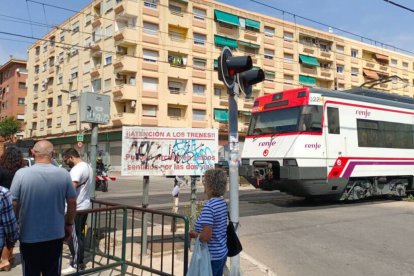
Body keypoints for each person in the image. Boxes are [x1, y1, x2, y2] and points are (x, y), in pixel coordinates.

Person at [10, 140, 77, 276]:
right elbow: (72, 201)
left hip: (29, 236)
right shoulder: (63, 174)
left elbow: (13, 203)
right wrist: (69, 223)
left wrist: (14, 226)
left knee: (30, 272)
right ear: (52, 154)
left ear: (33, 153)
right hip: (55, 235)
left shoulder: (21, 174)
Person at [190, 169, 228, 276]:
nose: (204, 184)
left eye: (205, 182)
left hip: (211, 257)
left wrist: (194, 234)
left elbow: (206, 236)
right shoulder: (222, 202)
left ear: (211, 185)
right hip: (221, 253)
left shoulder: (210, 206)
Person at [61, 148, 93, 274]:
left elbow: (71, 188)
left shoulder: (77, 169)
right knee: (78, 236)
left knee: (72, 237)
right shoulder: (87, 166)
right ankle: (79, 261)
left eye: (66, 160)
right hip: (84, 205)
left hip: (76, 208)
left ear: (71, 157)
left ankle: (76, 264)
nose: (66, 163)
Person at [0, 146, 24, 271]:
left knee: (3, 231)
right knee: (13, 230)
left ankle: (5, 260)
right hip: (18, 203)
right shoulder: (21, 171)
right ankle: (10, 255)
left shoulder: (1, 170)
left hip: (3, 202)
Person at [0, 186, 18, 272]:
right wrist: (12, 238)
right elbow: (8, 222)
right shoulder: (3, 193)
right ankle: (5, 260)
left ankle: (5, 260)